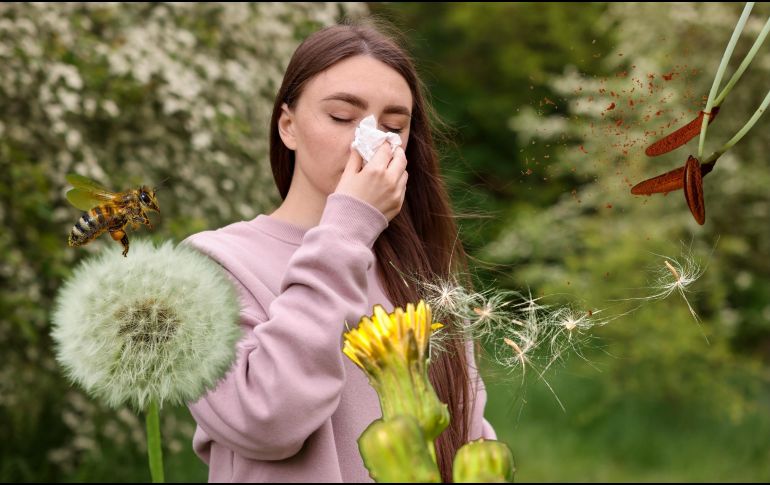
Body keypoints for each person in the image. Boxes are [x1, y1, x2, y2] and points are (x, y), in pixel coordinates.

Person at [182, 19, 496, 483]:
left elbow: (470, 443)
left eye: (393, 126)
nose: (368, 141)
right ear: (288, 126)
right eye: (341, 117)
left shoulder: (421, 273)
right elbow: (266, 419)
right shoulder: (211, 265)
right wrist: (348, 230)